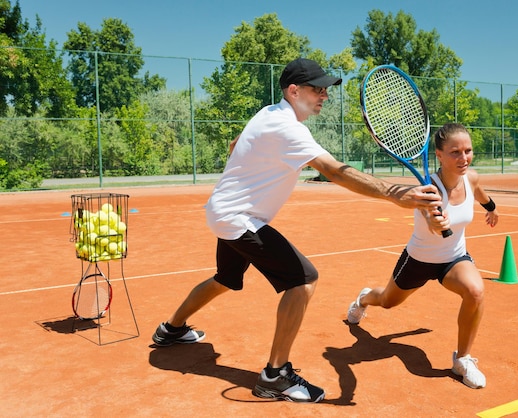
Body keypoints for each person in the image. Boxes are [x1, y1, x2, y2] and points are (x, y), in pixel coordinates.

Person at [152, 58, 444, 403]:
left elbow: (235, 144)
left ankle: (171, 329)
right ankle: (275, 376)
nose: (324, 95)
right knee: (302, 280)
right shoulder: (288, 128)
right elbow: (334, 171)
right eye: (317, 88)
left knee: (225, 279)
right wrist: (397, 195)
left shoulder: (268, 114)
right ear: (294, 91)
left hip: (226, 211)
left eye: (325, 89)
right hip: (238, 217)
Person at [346, 122, 499, 389]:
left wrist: (492, 208)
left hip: (453, 260)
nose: (463, 158)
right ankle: (363, 297)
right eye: (455, 152)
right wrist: (437, 223)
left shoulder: (470, 177)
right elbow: (431, 222)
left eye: (468, 151)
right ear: (439, 155)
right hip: (418, 260)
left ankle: (463, 359)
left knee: (476, 291)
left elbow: (480, 193)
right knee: (387, 301)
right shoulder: (429, 189)